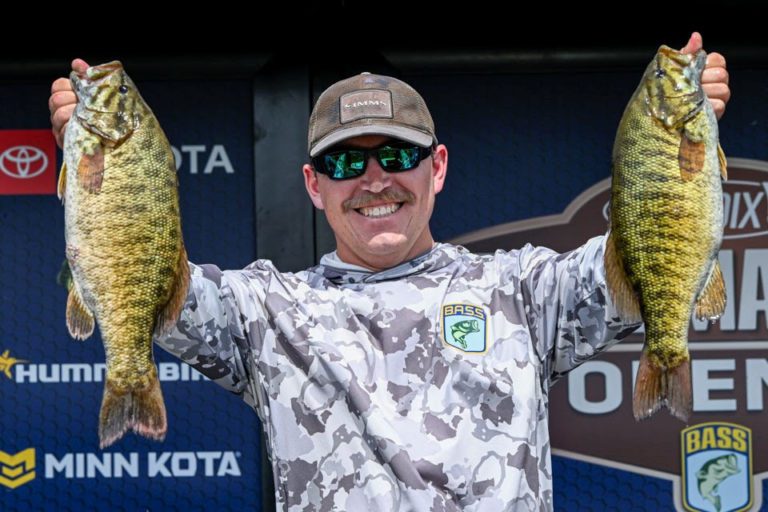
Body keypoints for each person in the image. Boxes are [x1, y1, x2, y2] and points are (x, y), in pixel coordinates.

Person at [49, 33, 730, 511]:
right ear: (314, 185)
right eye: (347, 162)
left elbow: (647, 249)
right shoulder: (265, 312)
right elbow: (146, 273)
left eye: (398, 156)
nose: (375, 180)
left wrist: (679, 133)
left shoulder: (523, 291)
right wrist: (99, 164)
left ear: (437, 167)